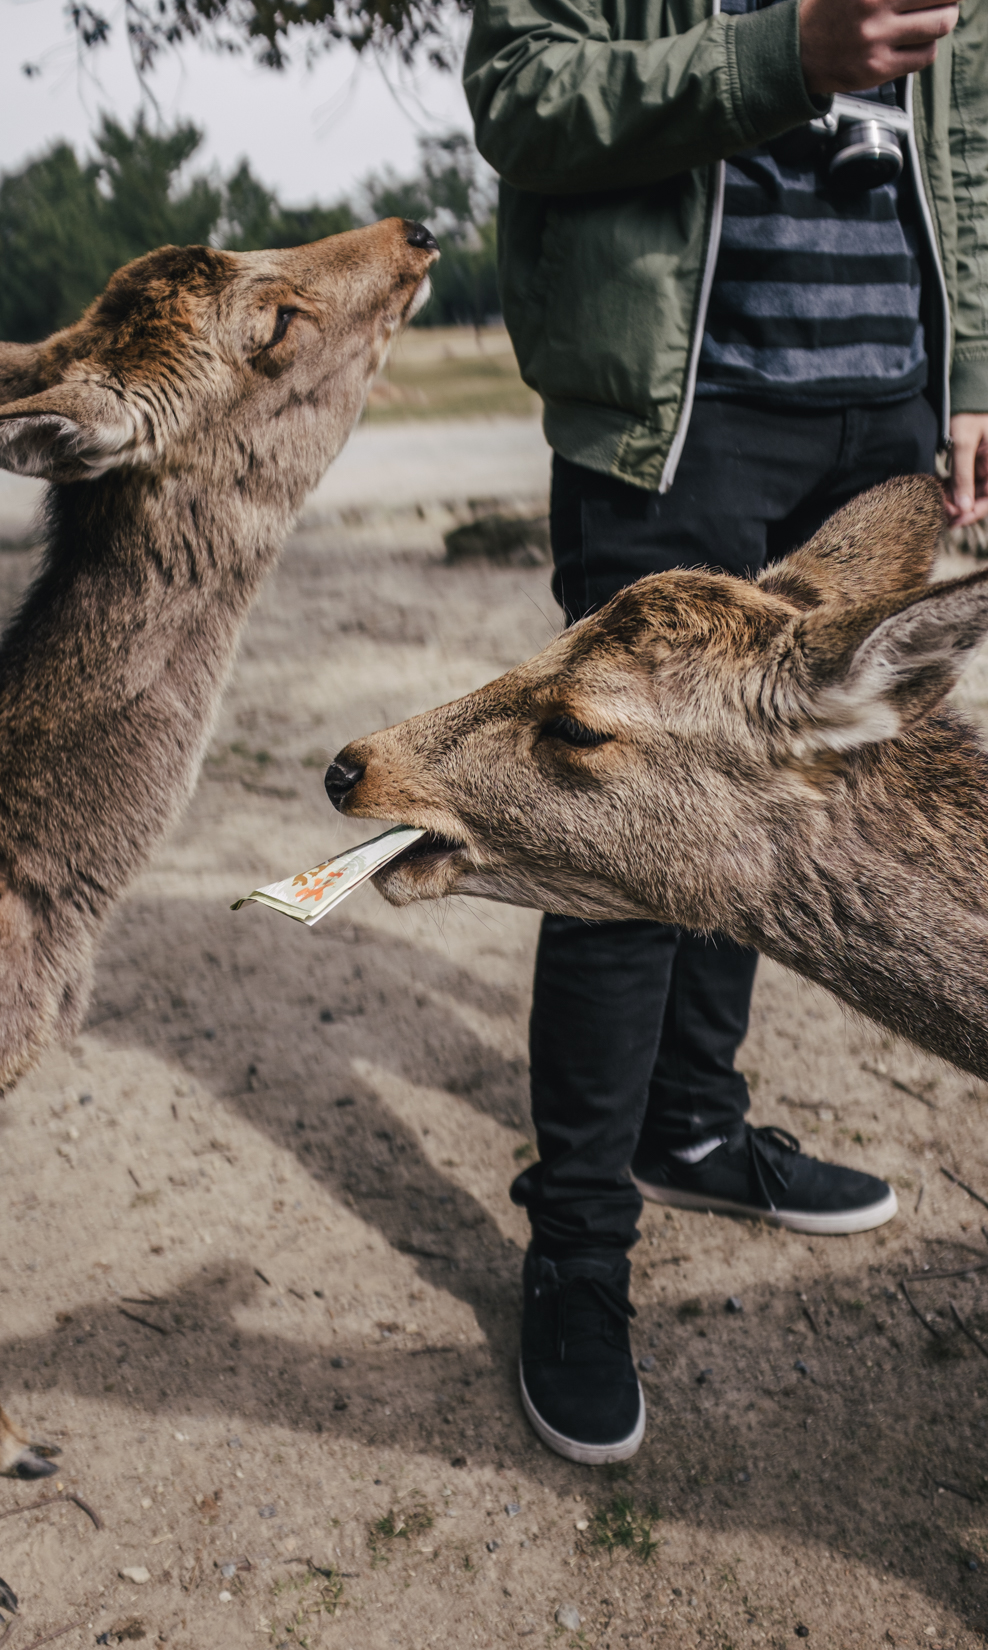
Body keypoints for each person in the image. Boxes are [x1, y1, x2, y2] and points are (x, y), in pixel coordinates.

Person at [463, 0, 988, 1464]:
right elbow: (519, 96)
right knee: (620, 801)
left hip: (880, 399)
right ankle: (576, 1247)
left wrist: (973, 375)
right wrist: (784, 61)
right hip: (683, 412)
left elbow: (974, 128)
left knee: (782, 804)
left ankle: (690, 1124)